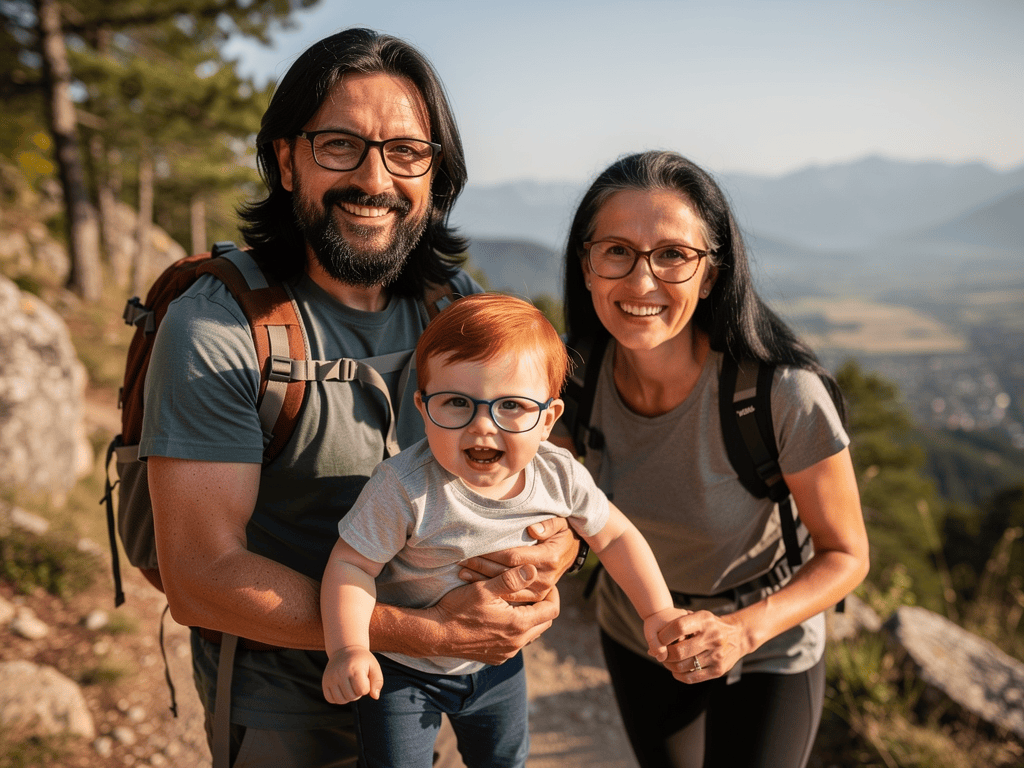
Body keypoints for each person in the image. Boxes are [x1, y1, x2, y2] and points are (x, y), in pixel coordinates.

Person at [140, 29, 579, 768]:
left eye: (406, 151)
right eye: (340, 145)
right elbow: (201, 577)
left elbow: (532, 460)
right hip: (287, 714)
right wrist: (429, 633)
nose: (376, 178)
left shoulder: (455, 306)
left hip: (431, 700)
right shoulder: (219, 327)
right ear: (287, 160)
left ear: (435, 174)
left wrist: (551, 551)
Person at [556, 150, 870, 768]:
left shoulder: (779, 394)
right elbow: (560, 512)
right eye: (616, 250)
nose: (641, 281)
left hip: (769, 643)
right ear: (586, 265)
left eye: (672, 254)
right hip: (641, 631)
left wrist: (742, 632)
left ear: (712, 272)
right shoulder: (566, 380)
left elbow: (847, 555)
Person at [319, 293, 688, 768]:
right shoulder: (405, 489)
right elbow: (350, 564)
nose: (482, 427)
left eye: (511, 406)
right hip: (403, 669)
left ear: (548, 419)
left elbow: (615, 536)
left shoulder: (559, 476)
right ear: (422, 405)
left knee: (505, 759)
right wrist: (348, 647)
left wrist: (657, 611)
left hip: (498, 662)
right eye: (455, 403)